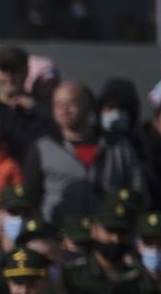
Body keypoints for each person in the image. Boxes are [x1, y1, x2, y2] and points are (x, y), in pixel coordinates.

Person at [27, 82, 149, 223]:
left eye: (71, 103)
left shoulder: (118, 146)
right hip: (61, 235)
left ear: (89, 106)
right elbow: (31, 197)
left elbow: (139, 194)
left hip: (110, 234)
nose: (64, 110)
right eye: (58, 104)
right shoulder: (42, 148)